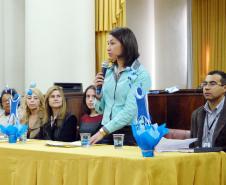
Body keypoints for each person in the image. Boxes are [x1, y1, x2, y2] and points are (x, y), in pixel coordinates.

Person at [90, 27, 151, 145]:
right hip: (106, 129)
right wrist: (98, 93)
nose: (108, 48)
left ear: (126, 44)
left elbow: (129, 111)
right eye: (107, 43)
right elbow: (100, 109)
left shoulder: (141, 74)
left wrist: (102, 131)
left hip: (129, 132)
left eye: (112, 43)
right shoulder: (108, 71)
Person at [190, 70, 226, 148]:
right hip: (201, 159)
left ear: (224, 88)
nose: (206, 88)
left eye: (212, 84)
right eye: (205, 84)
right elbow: (192, 143)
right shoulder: (196, 114)